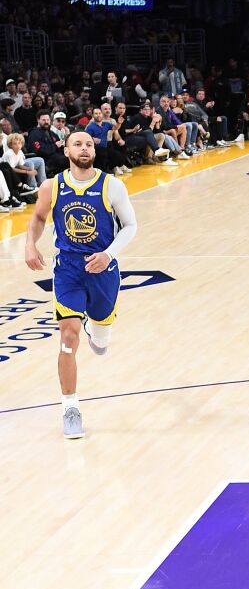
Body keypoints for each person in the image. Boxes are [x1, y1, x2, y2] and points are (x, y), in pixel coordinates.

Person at [23, 130, 138, 438]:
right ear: (67, 148)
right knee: (67, 337)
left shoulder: (111, 185)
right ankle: (70, 408)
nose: (84, 148)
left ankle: (96, 332)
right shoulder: (52, 186)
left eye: (88, 144)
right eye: (78, 143)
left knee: (100, 343)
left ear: (94, 151)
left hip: (103, 268)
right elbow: (37, 217)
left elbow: (130, 225)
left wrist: (108, 253)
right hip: (69, 270)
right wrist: (30, 244)